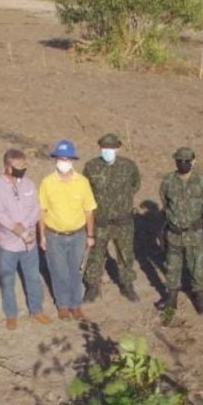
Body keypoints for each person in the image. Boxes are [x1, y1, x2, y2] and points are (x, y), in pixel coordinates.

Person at [0, 148, 52, 329]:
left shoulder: (29, 184)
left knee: (32, 277)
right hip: (9, 245)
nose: (23, 168)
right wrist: (21, 232)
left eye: (24, 165)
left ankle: (36, 310)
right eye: (19, 166)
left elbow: (35, 208)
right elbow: (1, 216)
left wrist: (26, 227)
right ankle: (11, 314)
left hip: (29, 244)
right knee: (8, 280)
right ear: (8, 167)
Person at [38, 139, 97, 320]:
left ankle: (76, 305)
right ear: (56, 160)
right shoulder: (47, 183)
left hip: (78, 235)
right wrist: (42, 236)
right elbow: (42, 211)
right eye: (60, 158)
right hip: (54, 235)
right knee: (58, 272)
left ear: (73, 161)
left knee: (75, 271)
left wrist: (90, 235)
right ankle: (63, 305)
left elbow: (89, 210)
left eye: (67, 159)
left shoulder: (82, 182)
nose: (64, 162)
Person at [83, 133, 141, 303]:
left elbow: (135, 185)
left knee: (125, 254)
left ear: (118, 148)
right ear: (100, 148)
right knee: (96, 254)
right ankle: (92, 287)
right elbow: (86, 191)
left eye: (111, 148)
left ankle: (127, 285)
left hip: (123, 221)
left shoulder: (128, 166)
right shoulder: (91, 167)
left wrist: (121, 203)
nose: (107, 151)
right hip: (100, 221)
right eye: (104, 148)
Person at [158, 147, 203, 320]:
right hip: (174, 233)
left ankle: (200, 298)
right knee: (172, 266)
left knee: (198, 267)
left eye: (187, 161)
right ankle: (171, 297)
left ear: (193, 161)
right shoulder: (168, 181)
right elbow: (166, 204)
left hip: (195, 233)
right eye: (179, 161)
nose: (183, 164)